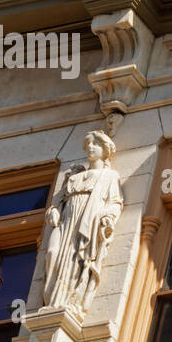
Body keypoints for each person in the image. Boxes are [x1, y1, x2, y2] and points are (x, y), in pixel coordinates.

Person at [43, 130, 123, 318]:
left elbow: (115, 202)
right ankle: (53, 299)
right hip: (66, 223)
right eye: (88, 145)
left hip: (87, 223)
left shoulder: (109, 176)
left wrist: (106, 216)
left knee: (78, 259)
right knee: (52, 253)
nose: (90, 148)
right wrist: (53, 211)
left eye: (95, 144)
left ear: (105, 150)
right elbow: (57, 203)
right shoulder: (73, 177)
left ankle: (69, 301)